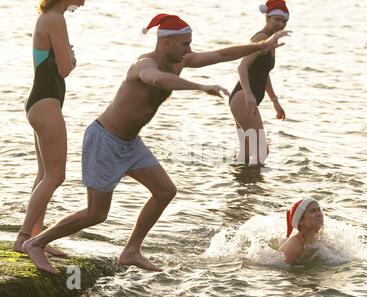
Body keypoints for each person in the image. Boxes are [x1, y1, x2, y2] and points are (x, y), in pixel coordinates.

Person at [23, 13, 289, 274]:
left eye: (190, 44)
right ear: (166, 44)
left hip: (130, 143)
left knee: (165, 191)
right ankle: (36, 243)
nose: (189, 49)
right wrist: (199, 86)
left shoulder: (180, 61)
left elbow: (220, 55)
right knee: (96, 213)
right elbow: (157, 80)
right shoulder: (144, 64)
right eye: (185, 44)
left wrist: (262, 45)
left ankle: (131, 251)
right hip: (105, 140)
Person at [13, 0, 85, 256]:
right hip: (45, 103)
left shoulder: (49, 17)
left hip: (40, 101)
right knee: (56, 176)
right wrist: (73, 57)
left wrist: (65, 54)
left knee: (44, 174)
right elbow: (65, 69)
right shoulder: (55, 19)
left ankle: (35, 236)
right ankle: (24, 238)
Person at [229, 0, 289, 165]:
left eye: (284, 21)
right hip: (243, 98)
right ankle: (254, 188)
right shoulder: (261, 38)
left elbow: (264, 73)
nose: (281, 24)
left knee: (247, 152)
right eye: (277, 19)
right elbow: (242, 67)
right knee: (262, 151)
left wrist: (275, 101)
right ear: (267, 17)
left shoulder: (271, 41)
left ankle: (241, 186)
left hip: (246, 98)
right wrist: (249, 95)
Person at [279, 197, 324, 264]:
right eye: (312, 211)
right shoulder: (294, 246)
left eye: (319, 210)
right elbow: (284, 271)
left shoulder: (321, 237)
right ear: (300, 221)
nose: (319, 214)